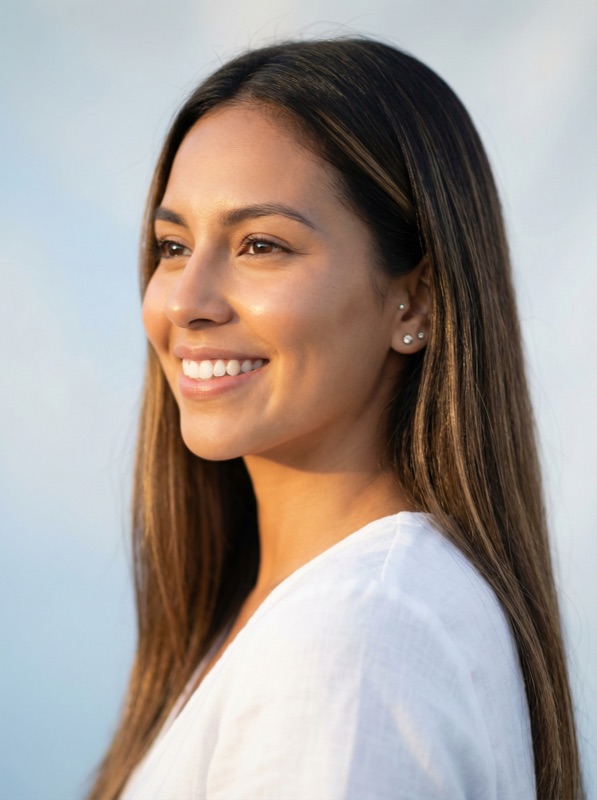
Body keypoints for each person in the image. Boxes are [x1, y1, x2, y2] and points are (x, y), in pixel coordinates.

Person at [87, 38, 582, 799]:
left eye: (260, 245)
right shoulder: (306, 615)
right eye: (173, 246)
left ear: (414, 301)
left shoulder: (351, 635)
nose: (185, 300)